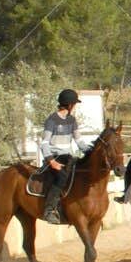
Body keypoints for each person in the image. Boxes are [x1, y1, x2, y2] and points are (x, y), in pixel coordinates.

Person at [39, 89, 85, 224]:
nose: (75, 107)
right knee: (62, 176)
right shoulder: (51, 120)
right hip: (54, 157)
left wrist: (92, 150)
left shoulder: (72, 120)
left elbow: (79, 141)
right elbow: (44, 143)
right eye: (74, 104)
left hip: (68, 157)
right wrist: (51, 161)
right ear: (70, 105)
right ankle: (49, 210)